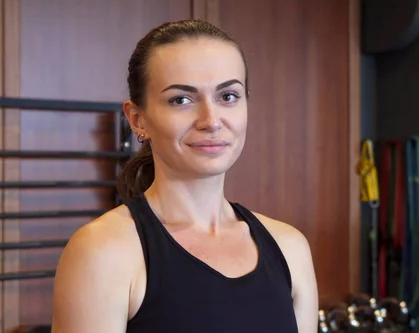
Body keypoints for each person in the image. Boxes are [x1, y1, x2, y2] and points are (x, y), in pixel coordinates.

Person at [51, 19, 318, 333]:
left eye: (228, 96)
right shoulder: (103, 251)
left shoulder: (289, 247)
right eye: (181, 99)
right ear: (138, 120)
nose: (211, 120)